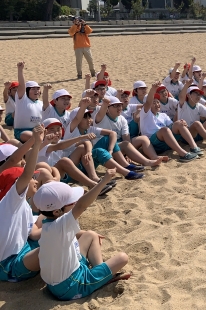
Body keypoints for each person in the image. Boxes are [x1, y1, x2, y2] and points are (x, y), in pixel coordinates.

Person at [34, 172, 130, 300]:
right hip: (71, 285)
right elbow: (82, 205)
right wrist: (103, 181)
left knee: (90, 235)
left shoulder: (47, 224)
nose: (75, 203)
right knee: (123, 258)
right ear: (57, 211)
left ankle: (99, 271)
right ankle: (101, 278)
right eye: (71, 202)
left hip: (58, 282)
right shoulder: (61, 224)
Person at [0, 125, 43, 283]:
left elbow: (33, 232)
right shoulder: (11, 201)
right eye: (33, 178)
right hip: (9, 265)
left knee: (62, 233)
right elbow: (25, 173)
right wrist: (36, 143)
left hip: (23, 247)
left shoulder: (20, 204)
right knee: (53, 246)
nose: (35, 180)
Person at [140, 82, 199, 162]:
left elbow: (172, 126)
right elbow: (148, 102)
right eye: (154, 103)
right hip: (153, 144)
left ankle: (194, 147)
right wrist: (153, 89)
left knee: (178, 123)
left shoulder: (163, 115)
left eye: (158, 102)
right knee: (164, 129)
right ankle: (183, 154)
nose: (157, 104)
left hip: (166, 142)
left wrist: (180, 123)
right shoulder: (145, 113)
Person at [13, 62, 43, 142]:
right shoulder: (22, 100)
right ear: (27, 91)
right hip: (22, 131)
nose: (36, 91)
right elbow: (22, 86)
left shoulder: (41, 103)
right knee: (33, 137)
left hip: (38, 130)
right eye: (33, 89)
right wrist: (20, 70)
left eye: (38, 89)